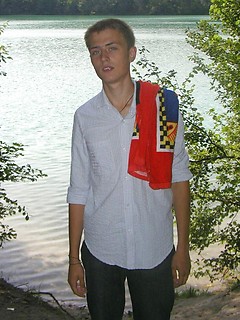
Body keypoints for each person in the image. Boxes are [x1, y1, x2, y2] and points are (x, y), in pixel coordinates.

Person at [67, 18, 192, 320]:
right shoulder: (85, 117)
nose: (104, 57)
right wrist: (73, 259)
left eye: (112, 48)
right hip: (101, 248)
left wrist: (183, 248)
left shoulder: (163, 108)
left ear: (132, 52)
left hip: (154, 246)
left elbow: (179, 179)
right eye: (96, 51)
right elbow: (78, 188)